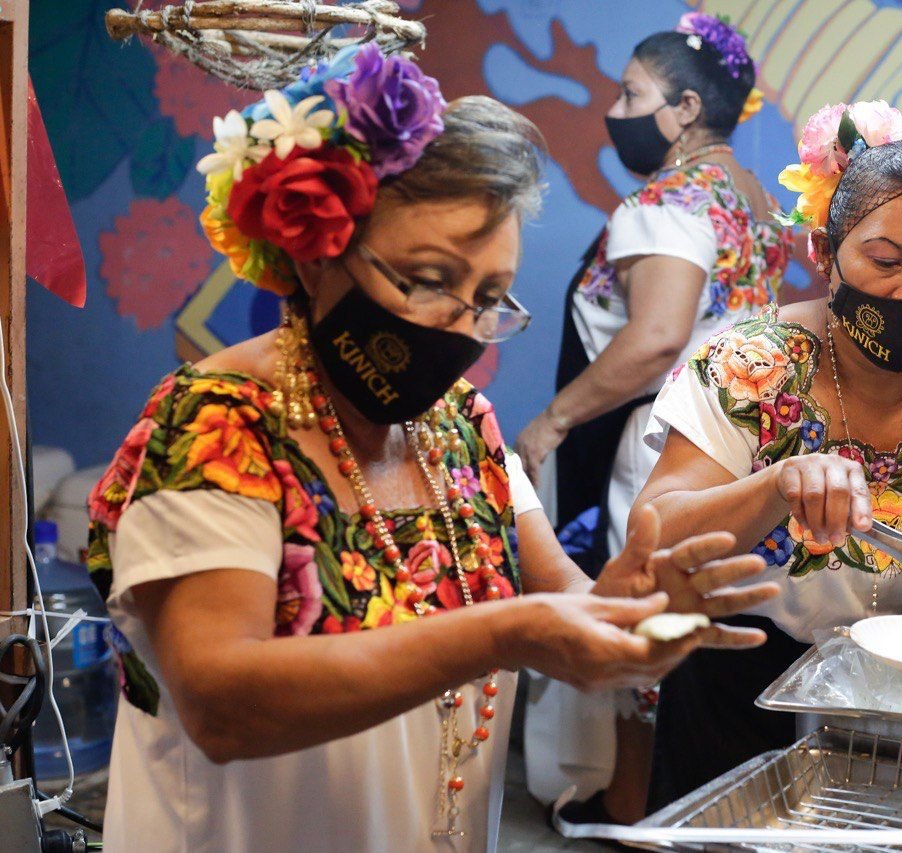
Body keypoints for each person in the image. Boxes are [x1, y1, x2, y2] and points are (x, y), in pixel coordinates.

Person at [84, 44, 777, 851]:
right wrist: (503, 632)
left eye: (487, 298)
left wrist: (637, 612)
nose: (458, 324)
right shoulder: (220, 423)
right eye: (426, 278)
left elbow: (569, 603)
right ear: (315, 253)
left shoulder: (463, 428)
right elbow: (221, 700)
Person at [636, 100, 902, 808]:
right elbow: (655, 535)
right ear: (823, 252)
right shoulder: (749, 364)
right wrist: (776, 484)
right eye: (885, 260)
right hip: (740, 691)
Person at [514, 13, 786, 824]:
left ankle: (634, 811)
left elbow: (657, 337)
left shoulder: (667, 202)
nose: (618, 107)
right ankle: (693, 807)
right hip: (741, 435)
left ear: (687, 111)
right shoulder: (752, 197)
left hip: (665, 437)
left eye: (634, 93)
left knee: (647, 616)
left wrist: (551, 421)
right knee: (705, 615)